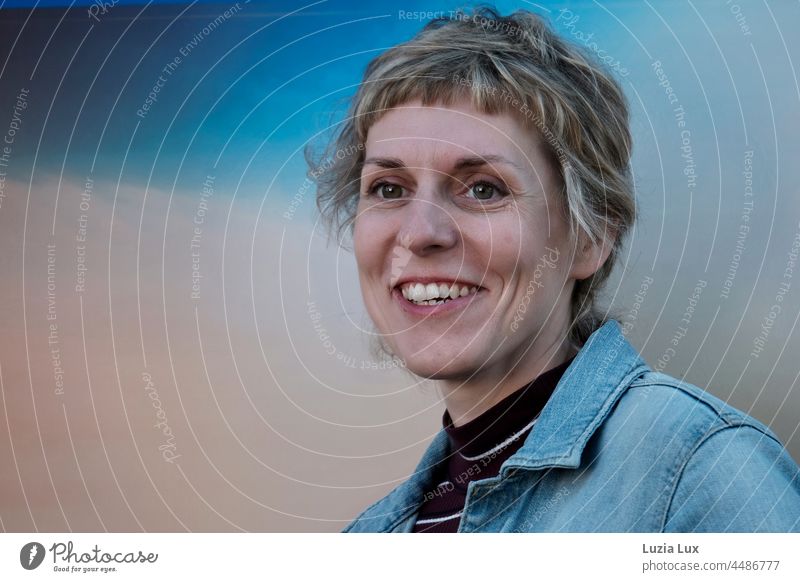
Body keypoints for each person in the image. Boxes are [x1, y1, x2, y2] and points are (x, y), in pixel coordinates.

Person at [308, 6, 800, 532]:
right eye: (389, 189)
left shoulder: (697, 474)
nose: (420, 232)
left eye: (483, 188)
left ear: (590, 238)